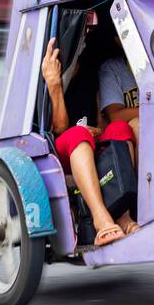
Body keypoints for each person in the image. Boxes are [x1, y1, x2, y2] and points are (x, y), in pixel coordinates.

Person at [41, 36, 138, 247]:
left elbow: (103, 120)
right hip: (62, 151)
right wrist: (54, 84)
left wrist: (98, 131)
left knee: (120, 128)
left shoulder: (89, 73)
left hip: (91, 142)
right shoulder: (53, 78)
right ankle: (101, 219)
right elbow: (59, 128)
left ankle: (123, 215)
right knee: (78, 134)